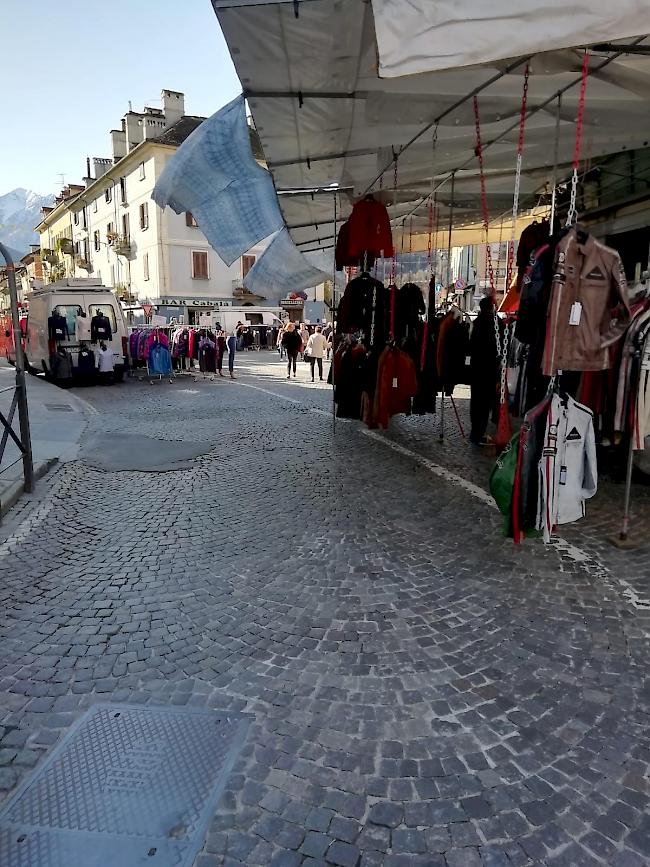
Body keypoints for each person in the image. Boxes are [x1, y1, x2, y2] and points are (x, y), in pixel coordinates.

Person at [469, 295, 501, 445]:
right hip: (490, 370)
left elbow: (470, 347)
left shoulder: (476, 324)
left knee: (476, 402)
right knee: (486, 403)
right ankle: (480, 432)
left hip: (477, 370)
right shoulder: (497, 324)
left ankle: (475, 432)